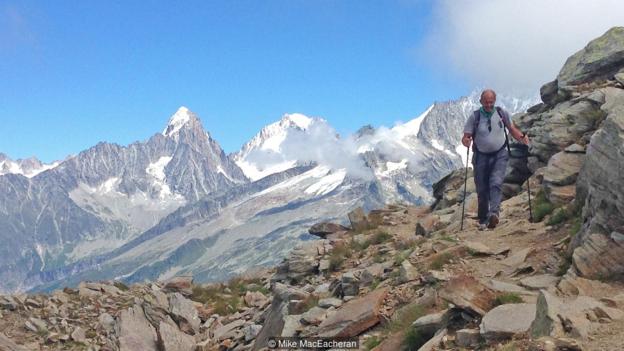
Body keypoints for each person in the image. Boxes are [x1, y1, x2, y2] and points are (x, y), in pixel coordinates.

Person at [462, 89, 529, 230]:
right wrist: (466, 140)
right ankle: (482, 218)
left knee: (496, 182)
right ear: (481, 101)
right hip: (481, 156)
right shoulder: (475, 117)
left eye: (491, 102)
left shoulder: (501, 113)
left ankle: (494, 214)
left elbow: (512, 129)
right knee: (482, 189)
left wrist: (522, 138)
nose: (488, 105)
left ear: (495, 101)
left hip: (500, 154)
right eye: (486, 102)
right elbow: (466, 136)